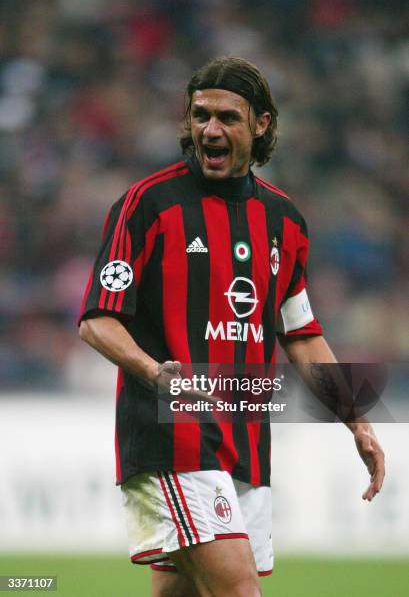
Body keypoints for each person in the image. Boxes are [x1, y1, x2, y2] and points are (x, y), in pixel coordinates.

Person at [78, 56, 385, 597]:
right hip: (171, 433)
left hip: (244, 441)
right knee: (239, 590)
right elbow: (97, 321)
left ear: (261, 124)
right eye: (200, 116)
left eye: (226, 118)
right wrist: (157, 373)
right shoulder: (148, 204)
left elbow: (303, 335)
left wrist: (356, 420)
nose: (209, 130)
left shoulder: (285, 221)